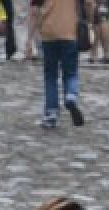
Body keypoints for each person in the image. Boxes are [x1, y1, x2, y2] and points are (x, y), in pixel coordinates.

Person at [37, 0, 89, 129]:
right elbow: (89, 3)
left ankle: (51, 113)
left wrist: (33, 33)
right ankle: (70, 96)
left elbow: (34, 9)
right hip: (70, 32)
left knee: (50, 76)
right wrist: (89, 20)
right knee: (71, 73)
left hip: (48, 32)